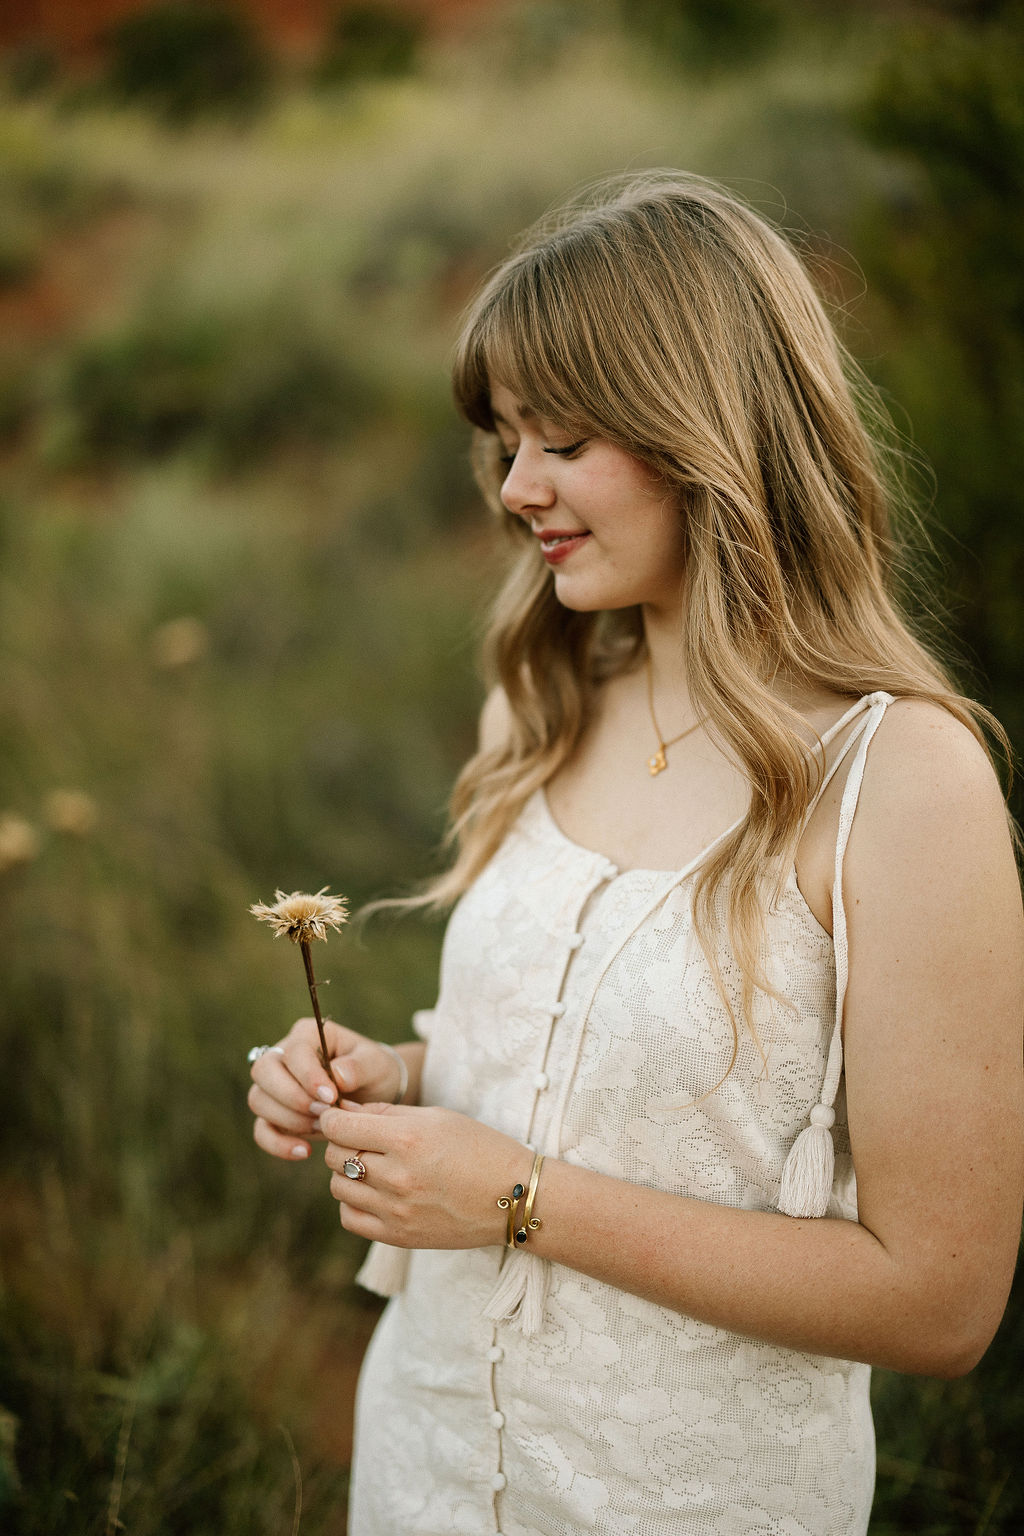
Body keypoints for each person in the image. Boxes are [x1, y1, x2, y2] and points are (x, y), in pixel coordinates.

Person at [246, 172, 1024, 1536]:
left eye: (562, 442)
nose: (514, 487)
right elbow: (593, 1073)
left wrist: (517, 1201)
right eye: (504, 440)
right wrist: (397, 1077)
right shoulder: (544, 710)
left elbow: (940, 1298)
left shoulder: (902, 784)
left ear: (704, 434)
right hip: (421, 1468)